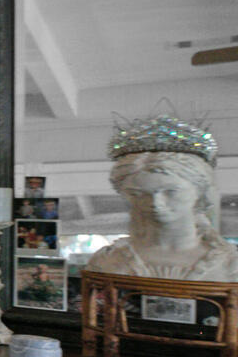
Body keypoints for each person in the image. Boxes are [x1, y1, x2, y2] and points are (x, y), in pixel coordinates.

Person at [90, 117, 238, 281]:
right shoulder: (107, 261)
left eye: (171, 192)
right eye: (138, 193)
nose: (155, 203)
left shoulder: (230, 264)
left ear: (200, 192)